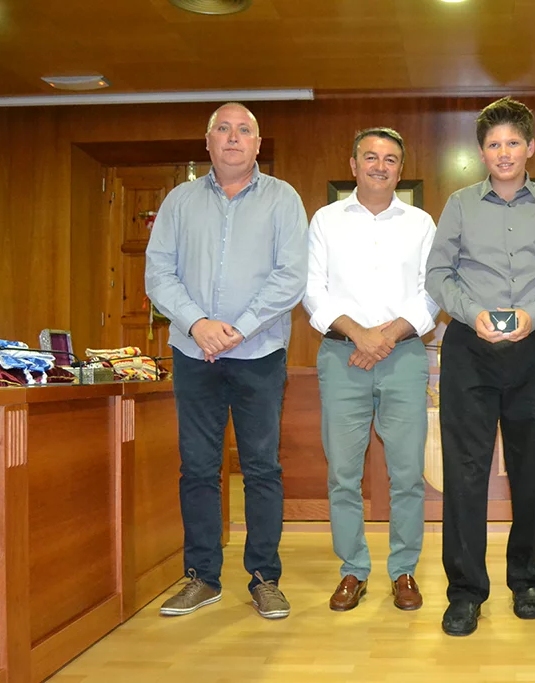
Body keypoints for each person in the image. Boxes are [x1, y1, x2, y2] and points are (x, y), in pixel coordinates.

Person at [425, 96, 535, 637]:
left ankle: (527, 579)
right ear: (481, 153)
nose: (504, 152)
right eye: (494, 144)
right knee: (465, 473)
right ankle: (466, 591)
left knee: (532, 468)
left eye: (513, 142)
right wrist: (472, 314)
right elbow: (438, 275)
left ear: (530, 147)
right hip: (470, 350)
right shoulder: (460, 204)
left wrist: (533, 314)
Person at [145, 102, 308, 620]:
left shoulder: (283, 199)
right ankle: (202, 578)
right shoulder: (177, 201)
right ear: (208, 141)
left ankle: (264, 578)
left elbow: (291, 275)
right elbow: (158, 274)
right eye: (224, 129)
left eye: (245, 131)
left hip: (259, 352)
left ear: (258, 145)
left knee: (262, 468)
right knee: (197, 468)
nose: (233, 138)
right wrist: (199, 325)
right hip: (194, 354)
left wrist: (239, 327)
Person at [302, 127, 439, 612]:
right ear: (353, 163)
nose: (380, 165)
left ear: (401, 169)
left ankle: (403, 570)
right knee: (343, 473)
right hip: (342, 357)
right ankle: (352, 571)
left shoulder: (421, 223)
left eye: (390, 159)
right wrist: (361, 335)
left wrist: (386, 336)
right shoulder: (325, 220)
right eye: (370, 157)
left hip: (402, 357)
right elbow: (312, 292)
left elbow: (432, 293)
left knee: (406, 474)